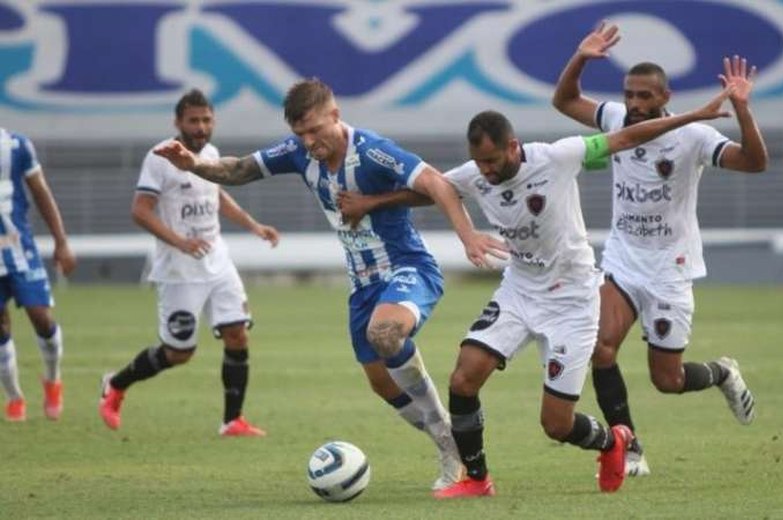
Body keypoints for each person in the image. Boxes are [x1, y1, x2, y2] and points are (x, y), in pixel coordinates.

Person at [337, 86, 737, 497]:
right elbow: (430, 190)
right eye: (479, 163)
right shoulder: (477, 174)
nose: (485, 172)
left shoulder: (557, 156)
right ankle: (476, 479)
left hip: (574, 301)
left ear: (513, 146)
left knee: (557, 424)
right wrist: (371, 203)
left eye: (492, 161)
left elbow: (628, 137)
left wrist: (691, 117)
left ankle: (612, 442)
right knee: (464, 377)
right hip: (520, 290)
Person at [152, 79, 507, 489]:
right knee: (381, 383)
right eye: (300, 134)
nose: (308, 141)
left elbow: (435, 183)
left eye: (315, 130)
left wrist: (467, 235)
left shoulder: (372, 151)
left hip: (407, 267)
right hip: (362, 286)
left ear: (335, 116)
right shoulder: (300, 153)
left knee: (385, 334)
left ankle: (448, 437)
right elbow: (240, 169)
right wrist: (193, 165)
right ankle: (444, 439)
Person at [552, 22, 767, 475]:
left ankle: (723, 373)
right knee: (601, 349)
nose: (634, 104)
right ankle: (628, 448)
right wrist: (581, 57)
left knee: (667, 380)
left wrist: (743, 110)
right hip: (624, 260)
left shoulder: (693, 136)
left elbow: (753, 162)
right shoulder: (614, 120)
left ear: (664, 98)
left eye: (644, 97)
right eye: (629, 94)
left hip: (671, 266)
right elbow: (565, 100)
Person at [98, 89, 280, 436]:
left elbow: (216, 195)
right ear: (178, 122)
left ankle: (232, 421)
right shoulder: (160, 157)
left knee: (237, 334)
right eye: (193, 120)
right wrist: (180, 242)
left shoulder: (210, 154)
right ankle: (115, 384)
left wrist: (253, 225)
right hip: (179, 270)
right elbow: (140, 211)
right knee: (179, 352)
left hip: (218, 261)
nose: (201, 127)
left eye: (206, 119)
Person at [0, 128, 76, 422]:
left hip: (19, 249)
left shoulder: (17, 146)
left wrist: (61, 241)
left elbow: (41, 191)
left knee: (41, 317)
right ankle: (15, 397)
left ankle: (53, 380)